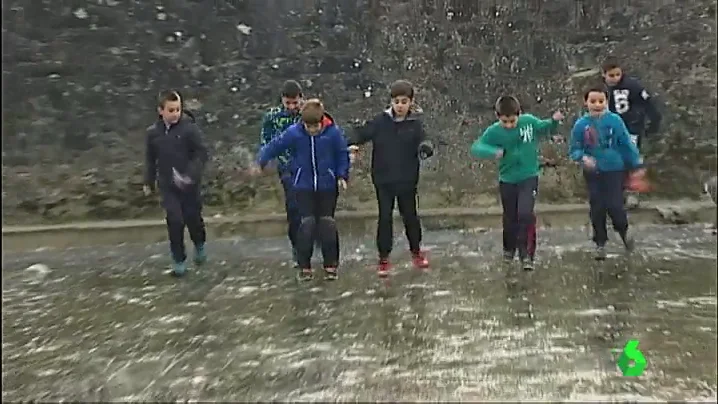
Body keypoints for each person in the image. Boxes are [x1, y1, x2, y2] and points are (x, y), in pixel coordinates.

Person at [254, 99, 350, 281]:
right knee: (306, 223)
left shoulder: (333, 133)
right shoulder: (295, 133)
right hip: (303, 186)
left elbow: (342, 154)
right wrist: (261, 160)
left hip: (327, 186)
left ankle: (331, 263)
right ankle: (304, 264)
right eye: (308, 126)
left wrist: (342, 175)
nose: (312, 130)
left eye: (315, 126)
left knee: (327, 223)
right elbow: (275, 145)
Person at [347, 80, 435, 277]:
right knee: (385, 217)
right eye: (396, 101)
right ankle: (384, 257)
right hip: (383, 179)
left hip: (407, 179)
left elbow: (425, 139)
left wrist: (425, 148)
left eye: (404, 101)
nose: (400, 105)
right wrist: (351, 142)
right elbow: (361, 133)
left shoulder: (415, 124)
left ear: (411, 102)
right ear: (391, 102)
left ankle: (416, 251)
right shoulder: (380, 122)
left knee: (410, 216)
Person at [470, 96, 564, 270]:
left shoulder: (528, 122)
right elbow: (476, 146)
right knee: (510, 217)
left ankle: (527, 254)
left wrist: (554, 121)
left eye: (512, 121)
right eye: (504, 121)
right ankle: (509, 249)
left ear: (519, 114)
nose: (509, 125)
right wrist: (493, 151)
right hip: (507, 179)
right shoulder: (494, 131)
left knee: (525, 213)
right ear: (497, 116)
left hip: (529, 176)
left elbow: (544, 128)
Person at [569, 86, 644, 260]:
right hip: (593, 172)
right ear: (585, 102)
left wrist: (636, 164)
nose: (597, 105)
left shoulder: (615, 121)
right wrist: (582, 158)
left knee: (615, 205)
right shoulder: (581, 125)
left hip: (615, 170)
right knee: (597, 206)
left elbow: (626, 143)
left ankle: (624, 231)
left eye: (601, 101)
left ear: (607, 102)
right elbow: (574, 149)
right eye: (593, 101)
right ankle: (600, 242)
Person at [144, 90, 209, 277]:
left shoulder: (189, 129)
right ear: (160, 111)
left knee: (193, 219)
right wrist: (148, 181)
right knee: (174, 221)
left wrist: (191, 174)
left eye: (178, 109)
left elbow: (201, 153)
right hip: (167, 185)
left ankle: (199, 244)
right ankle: (179, 260)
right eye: (171, 110)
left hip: (189, 184)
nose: (175, 114)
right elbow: (150, 159)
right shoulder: (153, 134)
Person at [601, 57, 662, 208]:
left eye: (617, 74)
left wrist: (654, 121)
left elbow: (648, 102)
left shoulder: (632, 85)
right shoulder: (601, 90)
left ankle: (632, 194)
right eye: (611, 75)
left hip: (631, 129)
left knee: (632, 159)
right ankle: (615, 194)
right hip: (610, 131)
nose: (615, 78)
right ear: (604, 75)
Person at [259, 80, 304, 266]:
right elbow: (266, 140)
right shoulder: (272, 117)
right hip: (286, 167)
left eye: (295, 103)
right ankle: (297, 248)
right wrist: (263, 160)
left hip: (309, 166)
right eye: (288, 103)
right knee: (293, 207)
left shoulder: (309, 112)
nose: (292, 107)